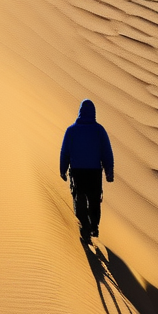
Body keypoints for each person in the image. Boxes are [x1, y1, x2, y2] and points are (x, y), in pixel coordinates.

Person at [60, 99, 114, 243]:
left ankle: (84, 227)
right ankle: (94, 227)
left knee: (80, 200)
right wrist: (109, 172)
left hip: (77, 172)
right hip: (94, 174)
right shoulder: (99, 130)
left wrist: (62, 170)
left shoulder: (71, 131)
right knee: (95, 201)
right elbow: (107, 153)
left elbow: (65, 152)